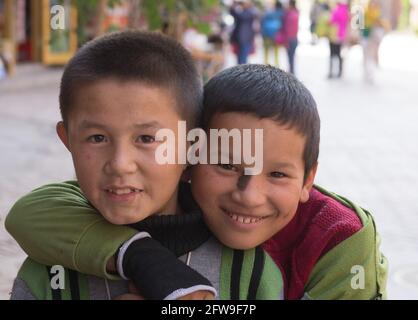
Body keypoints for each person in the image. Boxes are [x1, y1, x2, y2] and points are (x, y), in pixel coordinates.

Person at [7, 63, 388, 300]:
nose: (249, 196)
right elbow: (31, 213)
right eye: (225, 165)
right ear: (187, 158)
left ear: (308, 179)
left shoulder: (338, 238)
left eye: (277, 174)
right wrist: (145, 261)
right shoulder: (153, 196)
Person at [6, 31, 283, 300]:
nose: (120, 165)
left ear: (192, 147)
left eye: (147, 139)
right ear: (68, 141)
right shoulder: (51, 268)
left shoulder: (250, 273)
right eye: (97, 138)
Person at [361, 0, 389, 83]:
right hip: (365, 36)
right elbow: (360, 25)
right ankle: (367, 71)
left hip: (373, 37)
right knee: (366, 55)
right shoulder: (365, 12)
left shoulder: (378, 13)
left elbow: (383, 26)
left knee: (371, 55)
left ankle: (370, 72)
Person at [230, 0, 258, 64]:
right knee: (239, 56)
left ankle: (242, 70)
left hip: (246, 37)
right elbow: (233, 13)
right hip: (239, 37)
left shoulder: (250, 12)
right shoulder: (242, 11)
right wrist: (234, 4)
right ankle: (239, 69)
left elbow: (241, 16)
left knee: (243, 56)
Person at [328, 1, 350, 78]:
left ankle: (331, 72)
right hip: (342, 36)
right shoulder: (346, 12)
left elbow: (330, 21)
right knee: (339, 55)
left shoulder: (336, 10)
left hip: (334, 35)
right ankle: (340, 72)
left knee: (332, 54)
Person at [261, 1, 284, 66]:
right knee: (276, 52)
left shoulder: (266, 14)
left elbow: (262, 24)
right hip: (276, 35)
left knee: (266, 51)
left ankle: (265, 65)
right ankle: (277, 65)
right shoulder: (280, 14)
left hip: (267, 35)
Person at [284, 0, 299, 75]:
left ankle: (291, 71)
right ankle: (291, 70)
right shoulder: (296, 13)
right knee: (292, 56)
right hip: (294, 38)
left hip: (290, 38)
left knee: (290, 56)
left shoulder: (289, 14)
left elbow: (287, 28)